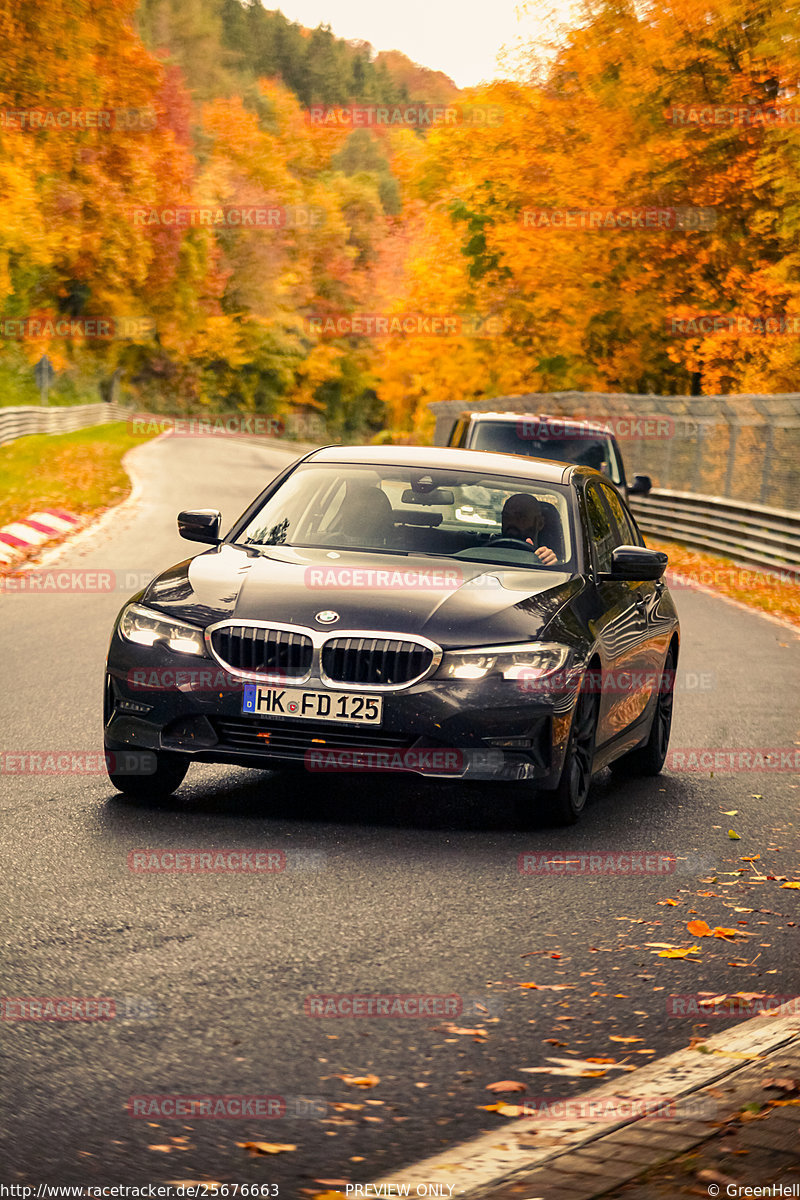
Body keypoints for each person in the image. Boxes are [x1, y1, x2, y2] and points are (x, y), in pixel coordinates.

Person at [491, 493, 558, 565]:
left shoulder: (546, 557)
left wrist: (550, 562)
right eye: (506, 516)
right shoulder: (488, 554)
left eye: (521, 518)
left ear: (540, 523)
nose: (511, 522)